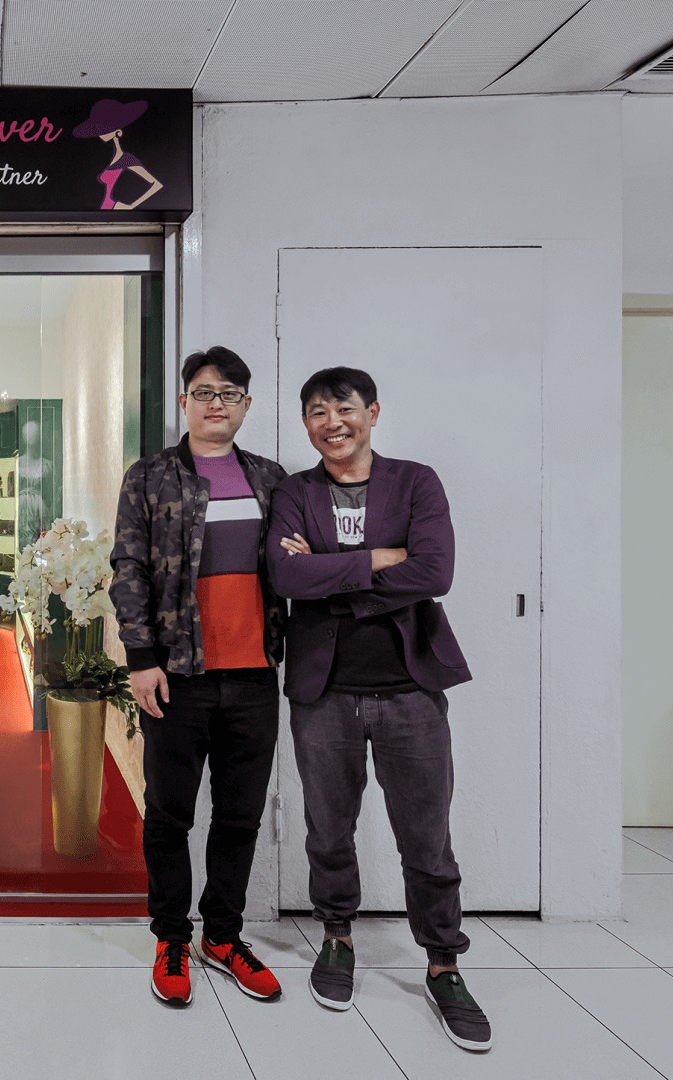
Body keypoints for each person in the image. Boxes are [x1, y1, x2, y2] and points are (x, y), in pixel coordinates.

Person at [265, 366, 492, 1052]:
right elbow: (285, 575)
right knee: (328, 829)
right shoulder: (294, 491)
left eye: (344, 408)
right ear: (305, 423)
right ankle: (337, 938)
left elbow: (434, 571)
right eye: (316, 412)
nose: (331, 422)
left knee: (426, 838)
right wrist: (377, 560)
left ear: (372, 412)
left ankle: (444, 964)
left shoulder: (416, 482)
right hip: (323, 691)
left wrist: (332, 571)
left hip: (409, 689)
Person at [109, 346, 287, 1007]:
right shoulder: (150, 476)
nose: (217, 403)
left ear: (246, 405)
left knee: (240, 816)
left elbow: (296, 565)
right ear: (184, 401)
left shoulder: (272, 480)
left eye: (230, 393)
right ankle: (170, 937)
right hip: (177, 674)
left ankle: (223, 936)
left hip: (254, 674)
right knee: (168, 814)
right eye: (205, 392)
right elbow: (128, 567)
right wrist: (140, 658)